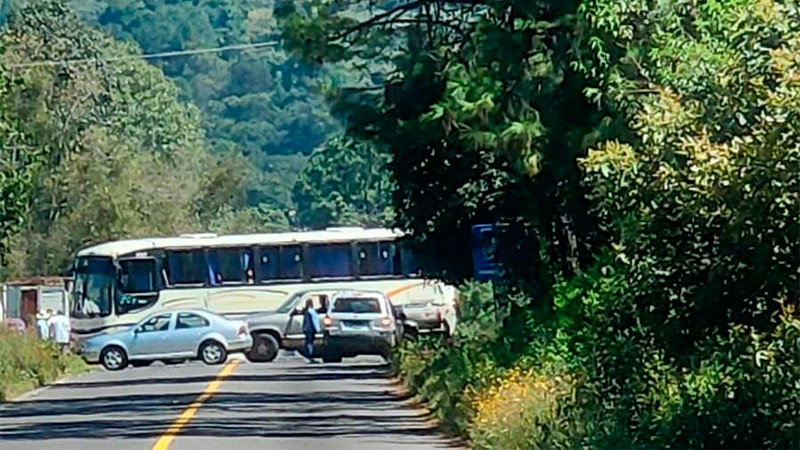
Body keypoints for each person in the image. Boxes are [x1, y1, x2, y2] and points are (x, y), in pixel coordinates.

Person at [300, 299, 321, 363]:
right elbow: (314, 321)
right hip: (311, 329)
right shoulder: (311, 311)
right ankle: (309, 356)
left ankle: (308, 356)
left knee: (308, 343)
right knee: (310, 343)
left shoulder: (306, 311)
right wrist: (317, 329)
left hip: (307, 329)